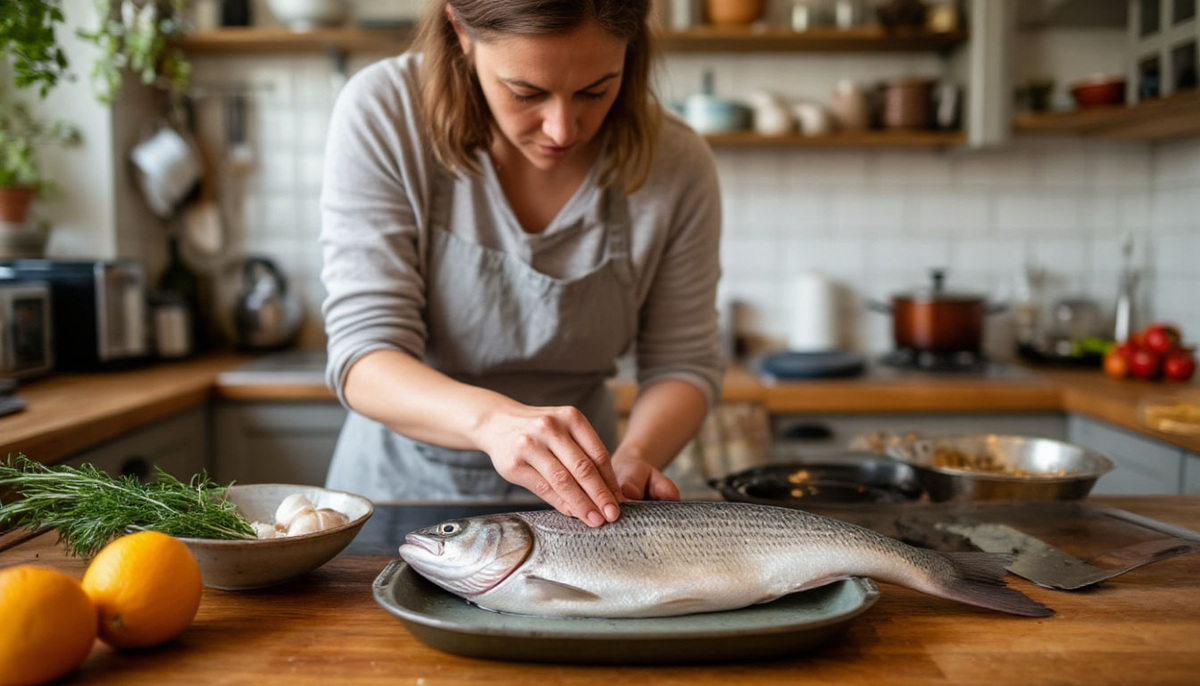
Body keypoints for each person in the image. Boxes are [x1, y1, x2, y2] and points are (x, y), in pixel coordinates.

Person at [319, 0, 723, 527]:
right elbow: (364, 356)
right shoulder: (385, 113)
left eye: (596, 91)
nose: (561, 129)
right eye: (526, 93)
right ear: (460, 30)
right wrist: (493, 424)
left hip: (582, 507)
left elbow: (682, 364)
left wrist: (635, 458)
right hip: (397, 503)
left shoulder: (677, 161)